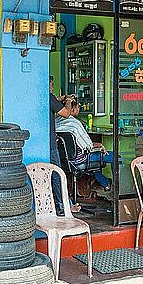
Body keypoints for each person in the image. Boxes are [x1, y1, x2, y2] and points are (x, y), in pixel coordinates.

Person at [55, 97, 111, 190]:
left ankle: (105, 184)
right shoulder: (75, 124)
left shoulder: (56, 120)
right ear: (72, 109)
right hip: (79, 159)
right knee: (116, 157)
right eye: (77, 108)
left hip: (64, 160)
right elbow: (88, 146)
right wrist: (100, 145)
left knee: (95, 165)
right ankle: (119, 191)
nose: (78, 110)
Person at [49, 76, 81, 215]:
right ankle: (65, 206)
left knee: (52, 175)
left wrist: (61, 99)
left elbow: (54, 100)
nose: (53, 87)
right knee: (57, 175)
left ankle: (60, 205)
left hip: (45, 141)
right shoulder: (49, 97)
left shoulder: (45, 97)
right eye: (51, 84)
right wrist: (68, 101)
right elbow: (66, 114)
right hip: (50, 144)